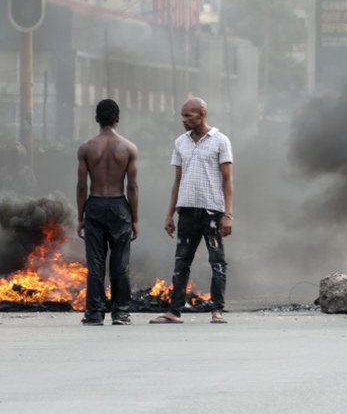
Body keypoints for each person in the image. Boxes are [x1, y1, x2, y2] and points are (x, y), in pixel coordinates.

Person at [150, 97, 233, 324]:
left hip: (212, 212)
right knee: (181, 262)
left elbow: (227, 180)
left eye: (188, 115)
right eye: (182, 115)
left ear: (202, 115)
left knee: (217, 261)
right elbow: (177, 181)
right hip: (186, 212)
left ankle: (217, 310)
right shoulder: (180, 143)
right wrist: (170, 214)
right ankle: (174, 311)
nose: (183, 120)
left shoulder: (220, 141)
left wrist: (228, 214)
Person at [76, 99, 139, 326]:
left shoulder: (86, 148)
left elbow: (82, 186)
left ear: (96, 119)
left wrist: (80, 216)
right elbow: (132, 186)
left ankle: (94, 313)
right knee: (120, 263)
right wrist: (135, 219)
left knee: (95, 263)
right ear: (117, 119)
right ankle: (121, 313)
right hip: (119, 206)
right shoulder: (128, 148)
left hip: (94, 205)